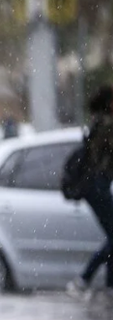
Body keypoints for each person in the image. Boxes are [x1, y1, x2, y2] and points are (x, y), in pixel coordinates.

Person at [67, 84, 113, 301]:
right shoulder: (106, 125)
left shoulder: (96, 123)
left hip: (95, 187)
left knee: (112, 237)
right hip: (98, 187)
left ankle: (108, 285)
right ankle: (84, 279)